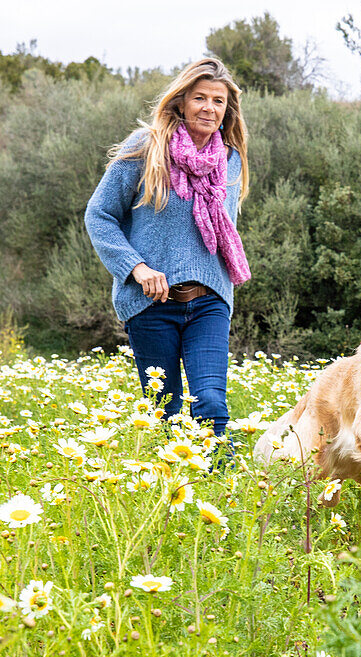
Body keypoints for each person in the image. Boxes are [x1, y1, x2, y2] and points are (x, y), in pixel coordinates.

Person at [85, 58, 251, 453]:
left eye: (218, 101)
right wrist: (137, 269)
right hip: (150, 303)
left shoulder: (230, 161)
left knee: (211, 403)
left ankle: (221, 491)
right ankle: (176, 497)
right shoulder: (146, 149)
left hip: (210, 300)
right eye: (200, 98)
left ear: (228, 110)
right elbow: (100, 214)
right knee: (167, 411)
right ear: (181, 102)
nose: (209, 108)